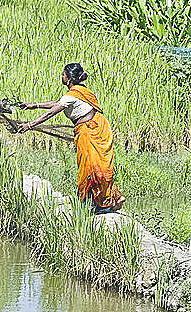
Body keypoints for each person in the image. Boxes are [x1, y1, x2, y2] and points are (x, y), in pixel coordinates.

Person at [18, 63, 125, 214]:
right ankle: (110, 198)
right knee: (96, 165)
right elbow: (57, 103)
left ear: (69, 79)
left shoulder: (72, 95)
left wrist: (29, 125)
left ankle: (98, 204)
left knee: (90, 167)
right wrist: (33, 105)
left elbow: (52, 112)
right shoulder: (80, 91)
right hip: (98, 126)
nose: (61, 77)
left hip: (90, 130)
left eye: (63, 75)